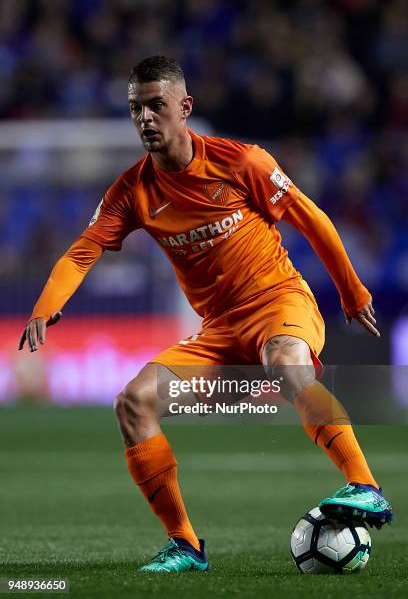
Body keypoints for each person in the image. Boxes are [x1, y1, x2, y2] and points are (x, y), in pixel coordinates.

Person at [19, 56, 392, 573]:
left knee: (286, 360)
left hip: (280, 303)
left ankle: (366, 486)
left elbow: (313, 219)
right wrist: (47, 306)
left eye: (156, 106)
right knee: (133, 403)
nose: (145, 119)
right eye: (136, 109)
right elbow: (82, 252)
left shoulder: (243, 162)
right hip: (218, 333)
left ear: (184, 107)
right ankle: (186, 546)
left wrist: (352, 292)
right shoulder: (131, 191)